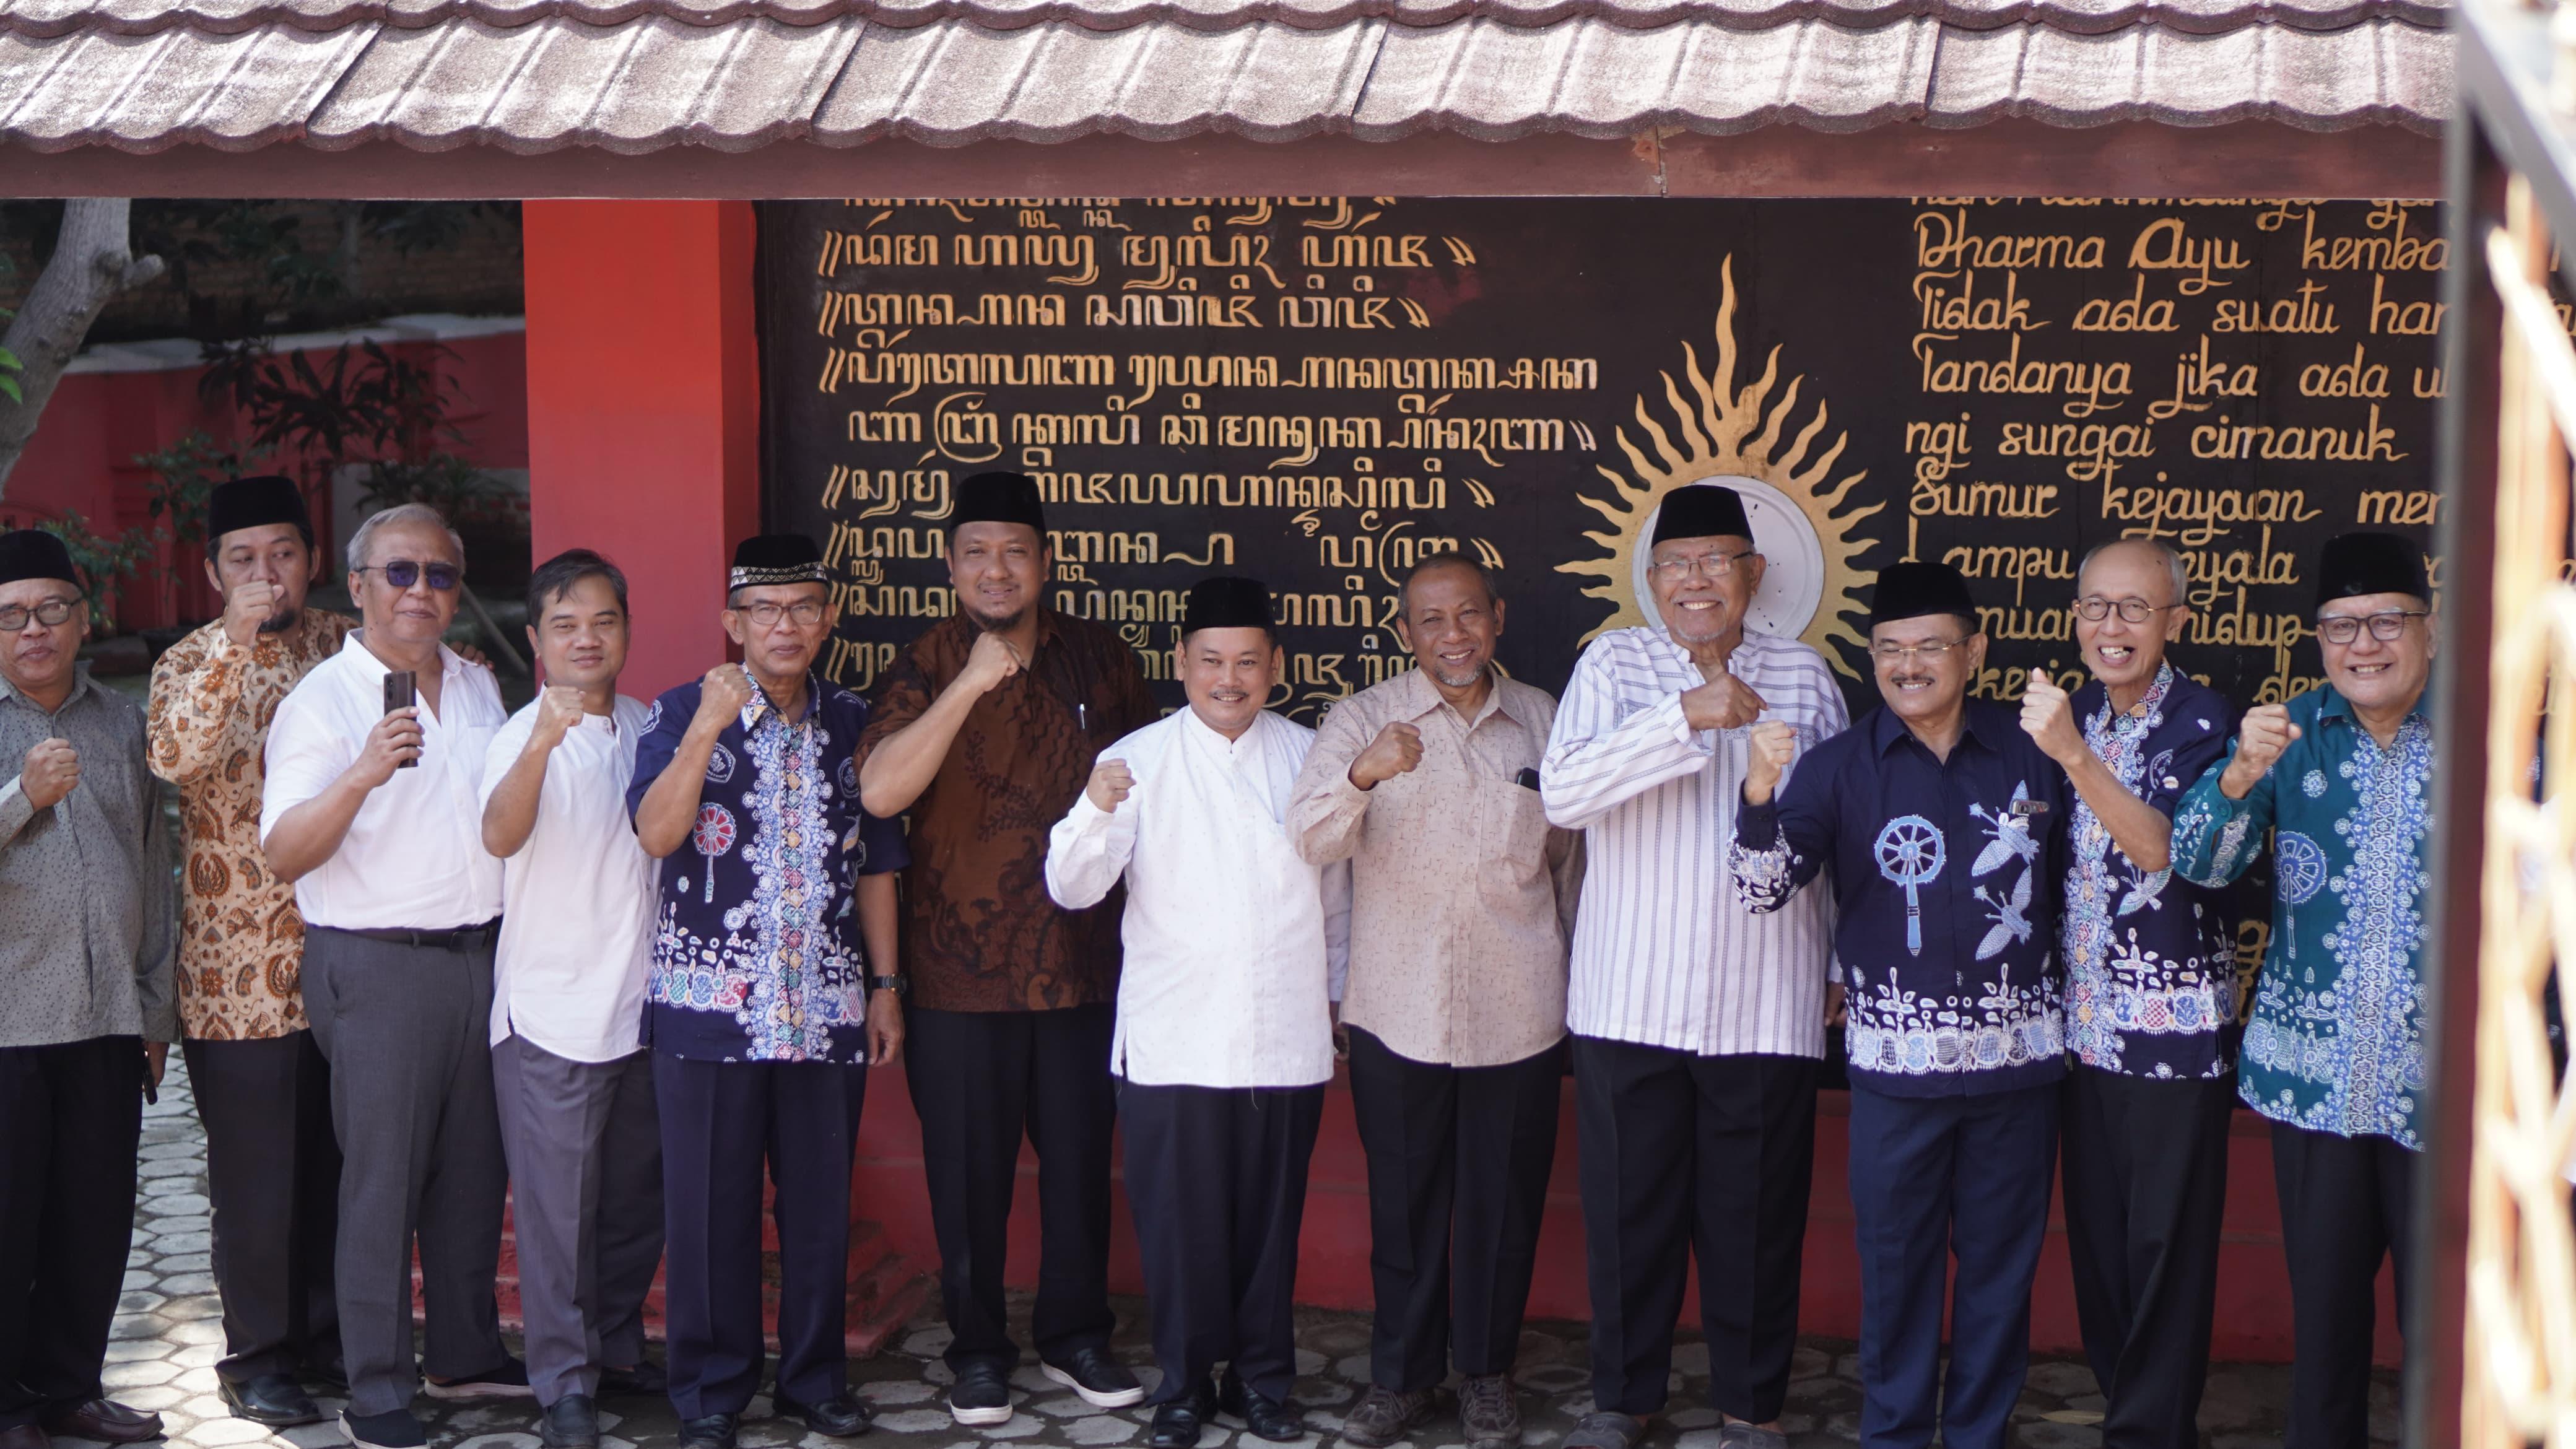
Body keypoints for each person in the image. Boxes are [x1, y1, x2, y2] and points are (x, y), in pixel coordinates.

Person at [1731, 560, 2068, 1449]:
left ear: (1974, 652)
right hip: (1894, 1080)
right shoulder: (1839, 766)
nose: (1908, 665)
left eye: (1929, 647)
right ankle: (1894, 1435)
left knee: (2000, 1275)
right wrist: (1759, 795)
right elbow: (1763, 891)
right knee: (1896, 1272)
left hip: (2016, 1076)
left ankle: (1979, 1436)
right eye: (1889, 650)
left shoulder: (2039, 751)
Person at [1538, 484, 1847, 1449]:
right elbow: (1565, 794)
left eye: (1717, 561)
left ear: (1756, 575)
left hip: (1766, 998)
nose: (1696, 581)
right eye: (1676, 565)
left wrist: (1839, 962)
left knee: (1755, 1220)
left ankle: (1752, 1410)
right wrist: (1684, 714)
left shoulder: (1805, 676)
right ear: (1650, 580)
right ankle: (1624, 1402)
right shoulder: (1613, 664)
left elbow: (1840, 832)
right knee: (1630, 1218)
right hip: (1630, 994)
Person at [854, 472, 1157, 1425]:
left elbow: (1155, 792)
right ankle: (978, 1350)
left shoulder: (1103, 661)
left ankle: (1076, 1335)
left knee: (1079, 1167)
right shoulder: (922, 663)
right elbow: (880, 794)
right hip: (956, 979)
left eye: (1016, 550)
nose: (997, 569)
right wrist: (970, 684)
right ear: (951, 566)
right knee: (969, 1180)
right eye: (977, 552)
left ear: (1046, 561)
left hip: (1080, 967)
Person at [1043, 576, 1351, 1449]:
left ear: (1276, 666)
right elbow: (1072, 886)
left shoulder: (1310, 755)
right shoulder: (1135, 758)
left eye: (1248, 662)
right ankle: (1184, 1386)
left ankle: (1263, 1384)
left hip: (1284, 1035)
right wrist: (1096, 809)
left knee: (1267, 1227)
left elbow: (1338, 898)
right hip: (1174, 1037)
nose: (1229, 679)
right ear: (1181, 663)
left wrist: (1336, 997)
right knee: (1180, 1231)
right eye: (1211, 661)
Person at [1287, 554, 1580, 1449]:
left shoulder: (1543, 720)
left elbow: (1572, 864)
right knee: (1405, 1205)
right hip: (1397, 1006)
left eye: (1467, 615)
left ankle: (1487, 1374)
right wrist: (1365, 776)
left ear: (1495, 617)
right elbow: (1307, 836)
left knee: (1502, 1206)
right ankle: (1402, 1377)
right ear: (1405, 632)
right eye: (1430, 620)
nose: (1452, 635)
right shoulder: (1363, 718)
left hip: (1519, 1006)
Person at [628, 533, 907, 1449]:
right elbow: (658, 836)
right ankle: (711, 1394)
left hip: (825, 1008)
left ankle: (813, 1380)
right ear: (733, 622)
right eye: (764, 611)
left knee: (820, 1204)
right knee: (710, 1211)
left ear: (827, 620)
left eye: (802, 609)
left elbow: (877, 869)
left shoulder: (855, 721)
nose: (784, 627)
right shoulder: (677, 713)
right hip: (709, 1011)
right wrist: (711, 725)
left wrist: (885, 985)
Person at [261, 502, 520, 1449]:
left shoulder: (478, 686)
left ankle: (463, 1353)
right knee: (382, 1180)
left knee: (471, 1171)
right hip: (377, 965)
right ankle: (375, 1389)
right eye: (401, 573)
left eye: (441, 575)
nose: (421, 592)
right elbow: (286, 851)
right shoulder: (322, 704)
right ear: (360, 586)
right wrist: (362, 773)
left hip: (480, 956)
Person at [2171, 530, 2437, 1449]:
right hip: (2312, 1083)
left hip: (2449, 1095)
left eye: (2385, 622)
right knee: (2325, 1335)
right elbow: (2199, 865)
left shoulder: (2500, 733)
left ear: (2430, 630)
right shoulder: (2287, 738)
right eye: (2340, 627)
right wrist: (2239, 774)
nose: (2363, 645)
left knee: (2448, 1337)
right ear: (2318, 640)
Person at [145, 475, 354, 1428]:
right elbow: (176, 757)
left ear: (313, 561)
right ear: (212, 572)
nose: (265, 574)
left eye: (282, 554)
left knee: (337, 1165)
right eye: (243, 559)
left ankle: (328, 1336)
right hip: (236, 975)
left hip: (349, 953)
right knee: (258, 1177)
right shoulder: (186, 661)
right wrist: (233, 641)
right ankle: (259, 1354)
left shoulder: (345, 644)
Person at [2023, 539, 2239, 1449]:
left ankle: (2152, 1433)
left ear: (2175, 623)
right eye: (2096, 607)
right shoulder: (2077, 717)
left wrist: (2073, 756)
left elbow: (2164, 848)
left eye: (2135, 610)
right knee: (2103, 1249)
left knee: (2166, 1254)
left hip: (2174, 1040)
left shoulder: (2200, 719)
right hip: (2086, 1035)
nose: (2112, 627)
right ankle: (2129, 1411)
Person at [478, 550, 666, 1449]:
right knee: (557, 1218)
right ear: (535, 641)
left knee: (636, 1201)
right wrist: (546, 739)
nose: (586, 638)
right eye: (566, 624)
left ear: (627, 629)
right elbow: (499, 833)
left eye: (603, 621)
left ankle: (616, 1348)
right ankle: (564, 1385)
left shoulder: (648, 724)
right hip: (551, 1016)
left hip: (644, 1012)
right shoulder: (518, 737)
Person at [0, 528, 176, 1449]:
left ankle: (69, 1387)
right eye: (13, 616)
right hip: (8, 1025)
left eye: (53, 609)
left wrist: (154, 1011)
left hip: (108, 1021)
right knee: (8, 1220)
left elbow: (154, 868)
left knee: (93, 1217)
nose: (35, 630)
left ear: (83, 617)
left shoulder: (119, 719)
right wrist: (21, 795)